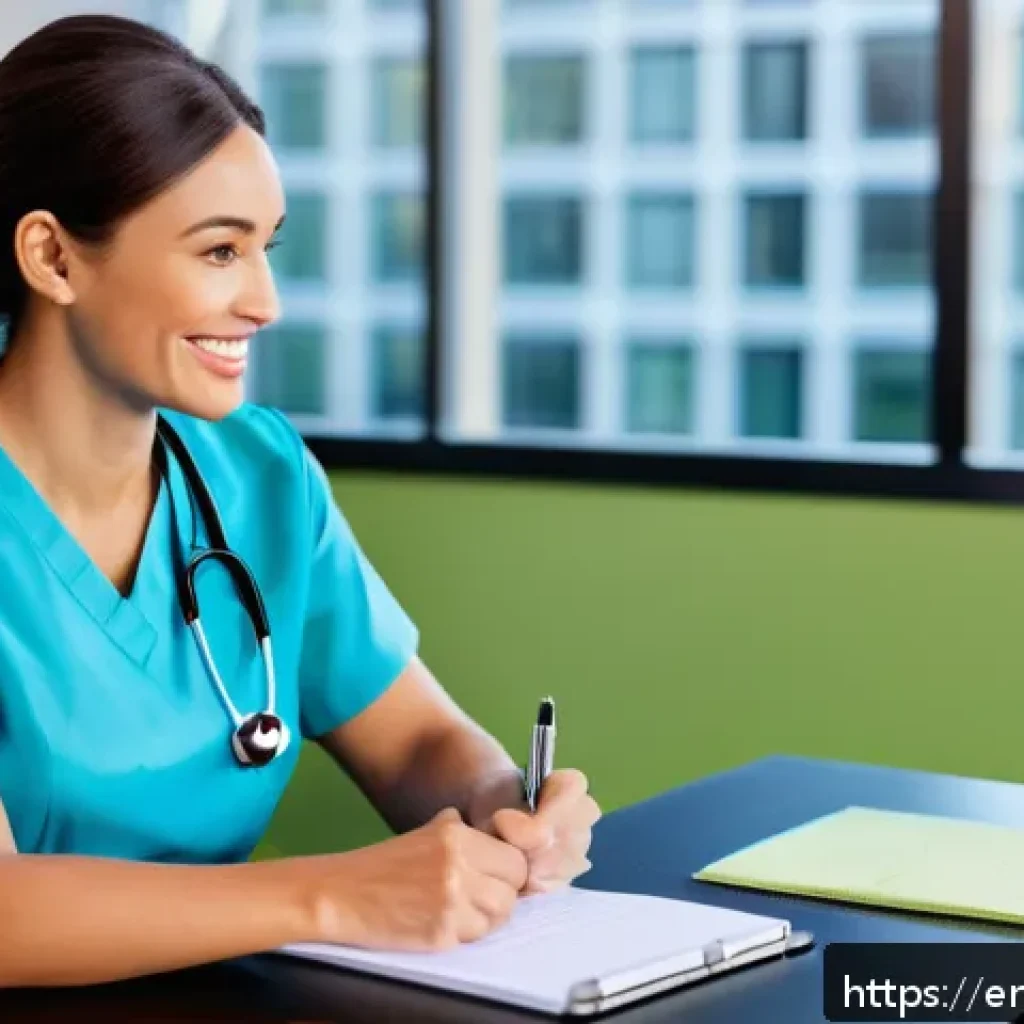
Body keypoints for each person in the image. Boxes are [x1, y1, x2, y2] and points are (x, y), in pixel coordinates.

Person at [0, 14, 600, 988]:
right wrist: (334, 894)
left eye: (267, 246)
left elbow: (414, 742)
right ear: (54, 258)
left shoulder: (261, 475)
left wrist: (501, 802)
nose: (267, 301)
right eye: (219, 252)